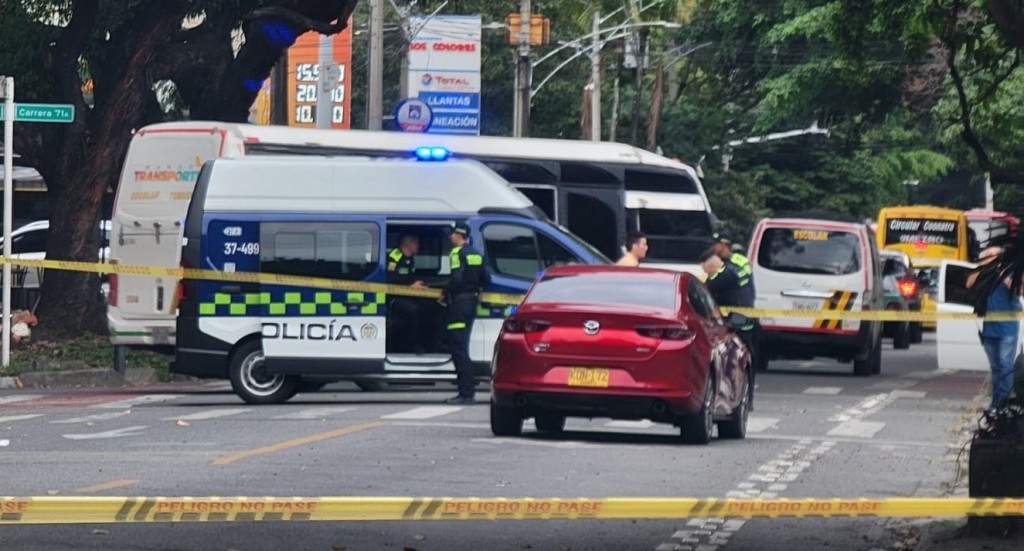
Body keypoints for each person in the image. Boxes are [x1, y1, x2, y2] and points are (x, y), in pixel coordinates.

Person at [440, 222, 490, 404]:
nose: (449, 237)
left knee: (458, 348)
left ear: (458, 235)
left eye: (451, 234)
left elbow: (456, 278)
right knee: (463, 347)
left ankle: (466, 393)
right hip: (471, 303)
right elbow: (486, 278)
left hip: (459, 304)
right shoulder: (476, 254)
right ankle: (466, 391)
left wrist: (444, 292)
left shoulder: (456, 253)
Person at [967, 246, 1021, 413]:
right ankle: (996, 402)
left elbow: (1018, 290)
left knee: (1005, 366)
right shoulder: (985, 274)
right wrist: (983, 266)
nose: (991, 258)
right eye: (988, 256)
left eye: (993, 256)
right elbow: (969, 283)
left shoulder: (1010, 272)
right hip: (989, 328)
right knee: (996, 367)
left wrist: (1001, 272)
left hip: (1007, 328)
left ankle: (1005, 403)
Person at [700, 248, 758, 372]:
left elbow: (704, 292)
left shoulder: (724, 276)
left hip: (738, 324)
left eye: (704, 267)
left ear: (711, 265)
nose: (704, 271)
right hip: (742, 321)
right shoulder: (730, 271)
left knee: (739, 359)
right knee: (743, 360)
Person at [386, 235, 430, 353]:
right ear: (408, 244)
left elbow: (409, 278)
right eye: (416, 243)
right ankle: (411, 345)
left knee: (429, 307)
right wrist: (410, 286)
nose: (418, 246)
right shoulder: (394, 257)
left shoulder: (410, 259)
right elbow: (389, 278)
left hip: (407, 296)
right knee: (413, 310)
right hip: (393, 298)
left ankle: (429, 343)